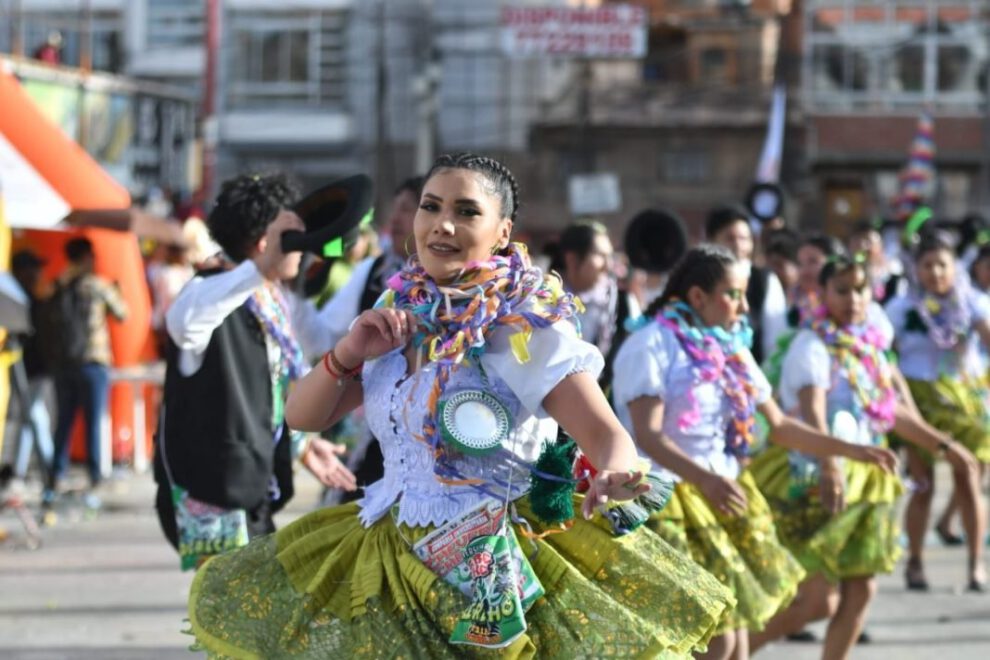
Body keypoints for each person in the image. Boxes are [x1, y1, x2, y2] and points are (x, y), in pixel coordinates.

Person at [186, 153, 736, 657]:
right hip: (388, 554)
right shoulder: (397, 311)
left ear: (502, 233)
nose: (441, 225)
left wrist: (617, 471)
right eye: (431, 207)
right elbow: (302, 415)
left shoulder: (525, 327)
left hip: (491, 566)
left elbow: (608, 435)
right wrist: (350, 351)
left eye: (466, 211)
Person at [612, 245, 898, 660]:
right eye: (733, 294)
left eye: (745, 294)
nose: (745, 306)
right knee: (715, 639)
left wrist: (852, 450)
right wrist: (707, 480)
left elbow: (779, 426)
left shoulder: (728, 347)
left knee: (738, 637)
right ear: (697, 297)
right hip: (669, 496)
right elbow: (650, 437)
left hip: (722, 488)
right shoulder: (650, 345)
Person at [748, 254, 981, 658]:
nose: (853, 299)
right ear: (821, 294)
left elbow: (891, 412)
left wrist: (945, 446)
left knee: (861, 591)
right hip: (814, 475)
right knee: (817, 601)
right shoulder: (811, 344)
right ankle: (721, 653)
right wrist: (829, 466)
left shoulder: (870, 342)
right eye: (841, 290)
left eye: (859, 290)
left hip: (867, 478)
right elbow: (813, 410)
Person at [153, 173, 357, 565]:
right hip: (211, 493)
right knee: (232, 616)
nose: (303, 248)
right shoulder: (211, 288)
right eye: (294, 236)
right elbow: (185, 320)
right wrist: (258, 269)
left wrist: (301, 445)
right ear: (265, 242)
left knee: (243, 618)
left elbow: (274, 384)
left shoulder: (269, 300)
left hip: (254, 485)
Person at [886, 232, 990, 591]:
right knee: (923, 486)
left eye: (941, 264)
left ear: (953, 267)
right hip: (919, 402)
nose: (934, 272)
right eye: (927, 265)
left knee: (969, 478)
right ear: (916, 269)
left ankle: (976, 565)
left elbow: (986, 332)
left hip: (961, 399)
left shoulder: (972, 301)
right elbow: (887, 355)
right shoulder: (902, 308)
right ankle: (914, 562)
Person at [315, 176, 423, 503]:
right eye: (397, 208)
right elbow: (319, 337)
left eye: (409, 209)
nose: (395, 219)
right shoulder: (376, 275)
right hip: (375, 451)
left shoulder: (501, 307)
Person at [44, 238, 128, 509]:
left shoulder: (58, 284)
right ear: (88, 256)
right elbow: (122, 314)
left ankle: (55, 475)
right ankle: (95, 477)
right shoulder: (96, 285)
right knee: (94, 422)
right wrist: (119, 290)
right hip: (93, 362)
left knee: (64, 423)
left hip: (63, 364)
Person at [547, 220, 639, 393]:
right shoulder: (541, 301)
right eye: (600, 255)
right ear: (572, 260)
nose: (609, 265)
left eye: (610, 256)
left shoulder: (622, 302)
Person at [705, 205, 787, 364]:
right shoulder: (702, 281)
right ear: (712, 241)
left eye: (743, 238)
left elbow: (775, 340)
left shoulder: (763, 280)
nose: (737, 245)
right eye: (730, 238)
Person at [10, 251, 54, 480]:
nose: (39, 272)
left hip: (36, 366)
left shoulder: (34, 298)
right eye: (34, 267)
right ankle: (47, 466)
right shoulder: (20, 300)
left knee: (33, 415)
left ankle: (25, 468)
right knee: (34, 415)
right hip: (26, 365)